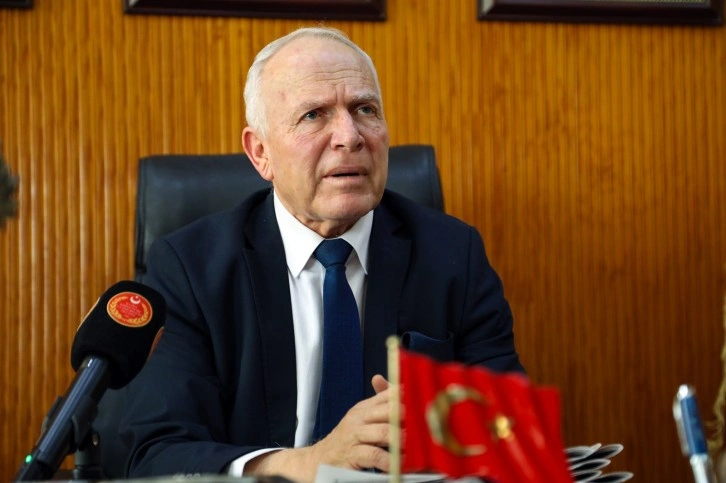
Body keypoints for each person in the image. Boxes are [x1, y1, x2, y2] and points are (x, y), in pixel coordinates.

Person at [121, 26, 524, 482]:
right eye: (313, 115)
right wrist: (304, 464)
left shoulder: (453, 255)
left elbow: (511, 431)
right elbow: (156, 454)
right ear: (261, 153)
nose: (349, 136)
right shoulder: (191, 269)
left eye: (365, 109)